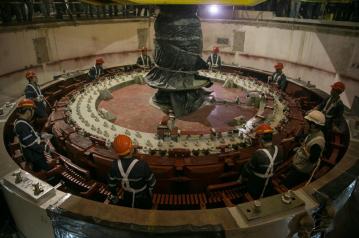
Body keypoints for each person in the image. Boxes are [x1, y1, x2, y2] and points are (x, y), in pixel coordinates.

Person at [108, 134, 156, 209]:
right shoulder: (141, 165)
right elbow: (152, 183)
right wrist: (150, 192)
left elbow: (111, 185)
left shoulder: (114, 165)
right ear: (132, 150)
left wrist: (115, 195)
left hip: (127, 197)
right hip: (142, 198)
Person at [240, 124, 284, 199]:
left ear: (261, 139)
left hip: (256, 183)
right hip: (270, 180)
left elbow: (248, 169)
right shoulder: (279, 148)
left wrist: (242, 178)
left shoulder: (259, 153)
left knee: (254, 196)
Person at [284, 110, 326, 188]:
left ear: (313, 125)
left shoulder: (317, 143)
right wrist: (287, 140)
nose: (305, 124)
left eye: (307, 122)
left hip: (301, 170)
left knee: (286, 184)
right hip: (298, 164)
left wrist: (304, 150)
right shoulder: (314, 132)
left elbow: (313, 159)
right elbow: (302, 137)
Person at [14, 99, 51, 172]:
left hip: (33, 153)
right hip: (34, 156)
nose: (34, 113)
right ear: (28, 111)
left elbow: (30, 136)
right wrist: (45, 147)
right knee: (49, 168)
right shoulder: (22, 125)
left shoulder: (20, 121)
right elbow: (31, 144)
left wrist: (41, 135)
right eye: (33, 111)